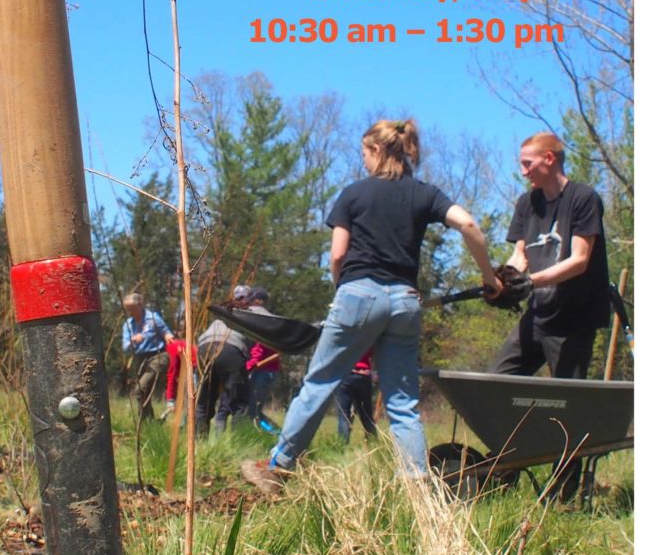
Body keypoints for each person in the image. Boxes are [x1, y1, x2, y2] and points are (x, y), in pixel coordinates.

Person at [241, 118, 502, 492]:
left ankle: (278, 468)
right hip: (405, 302)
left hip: (357, 295)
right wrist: (490, 277)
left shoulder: (354, 194)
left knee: (319, 383)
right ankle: (416, 487)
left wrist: (342, 290)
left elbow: (337, 255)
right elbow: (470, 224)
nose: (362, 160)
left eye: (364, 153)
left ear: (377, 151)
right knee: (402, 401)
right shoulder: (424, 193)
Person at [490, 131, 611, 499]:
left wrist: (531, 281)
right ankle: (506, 465)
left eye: (527, 163)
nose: (523, 171)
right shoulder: (528, 204)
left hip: (574, 320)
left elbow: (579, 260)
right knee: (497, 385)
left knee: (566, 405)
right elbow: (520, 256)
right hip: (538, 315)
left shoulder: (582, 198)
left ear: (549, 159)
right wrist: (505, 280)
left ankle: (565, 485)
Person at [195, 289, 252, 435]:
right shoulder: (249, 314)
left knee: (204, 400)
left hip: (204, 348)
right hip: (230, 349)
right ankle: (239, 445)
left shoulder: (221, 315)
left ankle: (198, 442)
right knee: (239, 401)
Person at [121, 291, 175, 418]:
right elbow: (125, 346)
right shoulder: (128, 325)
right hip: (140, 359)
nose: (130, 312)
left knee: (140, 389)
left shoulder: (153, 318)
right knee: (143, 392)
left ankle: (146, 420)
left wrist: (170, 338)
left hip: (158, 356)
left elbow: (166, 332)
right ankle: (148, 421)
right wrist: (134, 339)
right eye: (128, 309)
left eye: (132, 308)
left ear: (141, 305)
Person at [244, 287, 282, 429]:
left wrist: (249, 367)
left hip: (264, 371)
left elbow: (261, 350)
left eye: (252, 299)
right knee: (253, 409)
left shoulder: (263, 320)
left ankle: (276, 434)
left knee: (253, 410)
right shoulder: (269, 320)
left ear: (259, 301)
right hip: (262, 370)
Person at [335, 351, 378, 444]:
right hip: (364, 376)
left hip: (346, 374)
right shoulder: (367, 337)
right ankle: (374, 445)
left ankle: (341, 447)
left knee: (343, 416)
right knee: (367, 416)